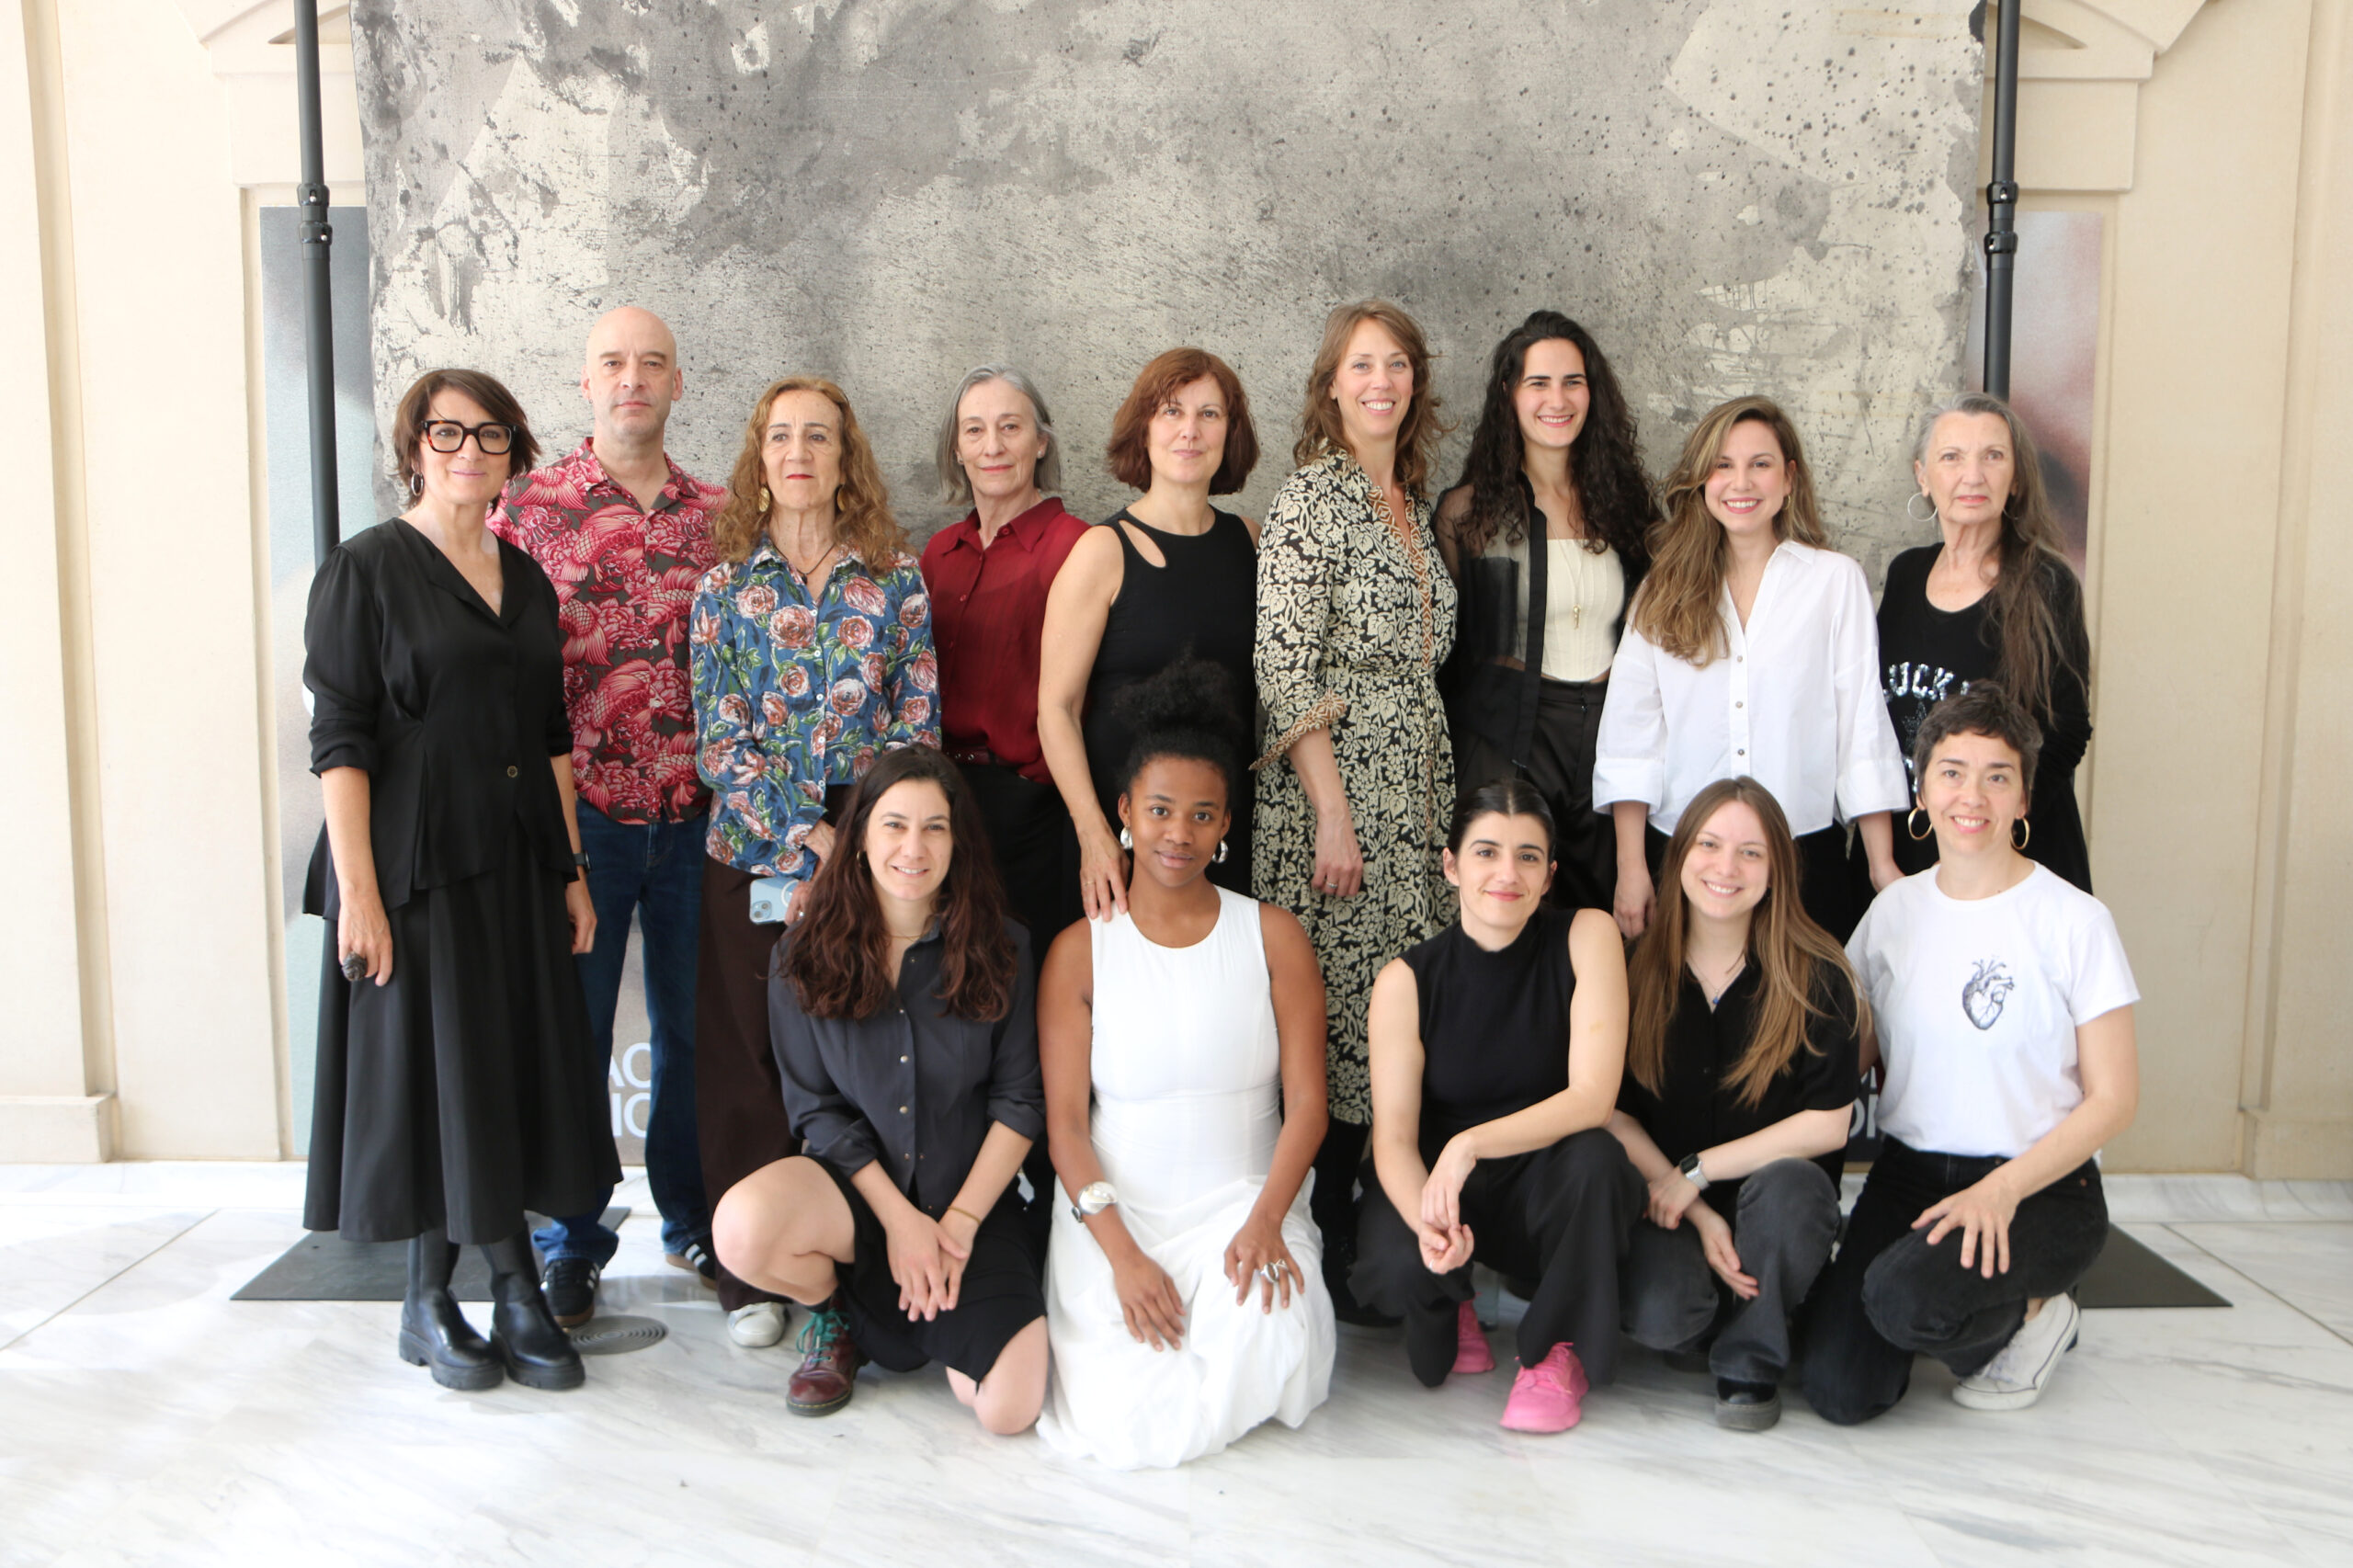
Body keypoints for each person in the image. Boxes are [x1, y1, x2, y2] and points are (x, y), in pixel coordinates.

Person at [302, 369, 611, 1392]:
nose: (469, 451)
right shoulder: (365, 569)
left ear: (514, 453)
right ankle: (467, 1295)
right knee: (438, 1075)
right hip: (415, 868)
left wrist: (570, 868)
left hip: (516, 862)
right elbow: (340, 741)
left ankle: (471, 1293)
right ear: (414, 447)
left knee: (499, 1069)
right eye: (447, 432)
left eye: (490, 434)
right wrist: (359, 894)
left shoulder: (525, 578)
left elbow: (552, 737)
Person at [1802, 682, 2139, 1425]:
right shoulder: (1893, 913)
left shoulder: (2075, 921)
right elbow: (1849, 1053)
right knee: (1835, 1387)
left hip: (2042, 1186)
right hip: (1912, 1173)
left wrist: (2004, 1190)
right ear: (1922, 791)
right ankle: (1940, 1297)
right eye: (1952, 772)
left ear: (2024, 798)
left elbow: (2116, 1099)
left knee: (1901, 1300)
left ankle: (2037, 1315)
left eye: (1997, 776)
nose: (1972, 796)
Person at [1035, 660, 1336, 1469]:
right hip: (1116, 1219)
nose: (1179, 833)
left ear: (1226, 823)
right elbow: (1065, 1130)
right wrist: (1124, 1258)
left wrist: (1266, 1222)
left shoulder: (1274, 937)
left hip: (1247, 1208)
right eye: (1161, 810)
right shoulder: (1079, 952)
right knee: (1124, 1412)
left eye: (1202, 815)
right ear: (1125, 812)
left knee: (1268, 1331)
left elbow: (1309, 1106)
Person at [689, 376, 938, 1351]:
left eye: (819, 437)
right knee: (746, 1053)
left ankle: (847, 1270)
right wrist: (806, 833)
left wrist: (864, 836)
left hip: (876, 842)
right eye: (781, 436)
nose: (799, 452)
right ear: (760, 458)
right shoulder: (722, 587)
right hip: (755, 843)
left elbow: (918, 724)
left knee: (857, 1047)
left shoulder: (895, 578)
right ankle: (749, 1271)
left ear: (846, 458)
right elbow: (719, 738)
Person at [494, 306, 729, 1326]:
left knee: (696, 1035)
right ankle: (571, 1240)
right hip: (579, 822)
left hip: (696, 820)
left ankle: (693, 1219)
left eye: (652, 363)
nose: (633, 378)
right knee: (576, 1036)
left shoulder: (723, 515)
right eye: (613, 363)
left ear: (678, 383)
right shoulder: (525, 509)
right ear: (585, 383)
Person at [710, 746, 1050, 1432]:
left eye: (934, 828)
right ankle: (839, 1314)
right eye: (894, 825)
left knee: (1008, 1411)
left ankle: (921, 1314)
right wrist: (899, 1223)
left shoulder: (1004, 946)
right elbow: (816, 1112)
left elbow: (1020, 1103)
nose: (913, 848)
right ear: (860, 836)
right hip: (858, 1203)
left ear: (957, 841)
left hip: (967, 1209)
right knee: (741, 1228)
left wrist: (954, 1227)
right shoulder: (801, 953)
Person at [1254, 301, 1460, 1323]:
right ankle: (1325, 1257)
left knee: (1393, 1018)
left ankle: (1386, 1252)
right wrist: (1333, 814)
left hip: (1414, 798)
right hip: (1334, 803)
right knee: (1332, 1023)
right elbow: (1284, 668)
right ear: (1331, 384)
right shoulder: (1310, 500)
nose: (1381, 381)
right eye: (1361, 365)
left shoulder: (1410, 503)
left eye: (1397, 364)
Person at [1353, 780, 1643, 1433]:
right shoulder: (1405, 980)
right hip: (1443, 1188)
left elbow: (1593, 1098)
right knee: (1407, 1300)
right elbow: (1393, 1141)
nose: (1507, 874)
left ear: (1550, 875)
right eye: (1486, 852)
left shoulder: (1587, 934)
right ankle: (1452, 1299)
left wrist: (1470, 1144)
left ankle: (1555, 1350)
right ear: (1451, 865)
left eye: (1528, 857)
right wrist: (1430, 1227)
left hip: (1545, 1181)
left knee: (1597, 1161)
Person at [1595, 395, 1908, 942]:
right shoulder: (1661, 589)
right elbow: (1630, 736)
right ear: (1702, 480)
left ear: (1789, 478)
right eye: (1723, 465)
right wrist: (1631, 868)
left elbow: (1863, 724)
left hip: (1803, 854)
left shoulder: (1835, 582)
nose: (1741, 482)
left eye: (1760, 464)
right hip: (1685, 853)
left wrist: (1882, 867)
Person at [1608, 777, 1861, 1431]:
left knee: (1792, 1192)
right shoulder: (1632, 968)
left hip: (1776, 1211)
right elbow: (1610, 1112)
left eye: (1751, 853)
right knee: (1662, 1316)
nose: (1727, 867)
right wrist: (1691, 1205)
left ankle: (1751, 1356)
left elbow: (1829, 1123)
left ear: (1777, 870)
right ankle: (1720, 1311)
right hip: (1669, 1208)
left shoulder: (1818, 972)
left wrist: (1699, 1170)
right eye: (1710, 845)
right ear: (1679, 855)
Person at [1437, 311, 1657, 913]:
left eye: (1572, 382)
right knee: (1512, 909)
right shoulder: (1468, 513)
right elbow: (1453, 648)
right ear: (1510, 394)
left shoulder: (1625, 505)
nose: (1556, 400)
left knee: (1605, 915)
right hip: (1506, 733)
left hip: (1608, 731)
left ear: (1593, 393)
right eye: (1538, 383)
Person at [1039, 347, 1261, 919]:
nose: (1190, 431)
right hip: (1119, 843)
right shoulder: (1101, 551)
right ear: (1144, 428)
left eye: (1209, 414)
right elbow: (1056, 709)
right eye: (1171, 412)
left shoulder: (1253, 542)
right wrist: (1094, 834)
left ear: (1231, 432)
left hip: (1223, 831)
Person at [1873, 392, 2096, 891]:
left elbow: (2067, 730)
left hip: (2007, 857)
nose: (1972, 476)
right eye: (1952, 457)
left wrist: (1987, 826)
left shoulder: (2047, 584)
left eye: (1992, 456)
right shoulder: (1906, 574)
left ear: (2015, 479)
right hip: (1910, 853)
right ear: (1923, 476)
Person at [919, 366, 1092, 954]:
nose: (991, 446)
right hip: (942, 800)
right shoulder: (940, 553)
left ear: (1040, 442)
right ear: (957, 449)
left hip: (1029, 810)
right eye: (974, 430)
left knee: (1025, 977)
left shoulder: (1074, 545)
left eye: (1010, 427)